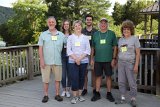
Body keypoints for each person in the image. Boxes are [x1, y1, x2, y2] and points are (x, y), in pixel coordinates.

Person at [38, 16, 65, 103]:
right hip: (46, 61)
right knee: (46, 79)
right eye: (49, 22)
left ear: (55, 23)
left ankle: (57, 94)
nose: (51, 23)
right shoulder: (43, 34)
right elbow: (40, 48)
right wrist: (41, 60)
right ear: (47, 23)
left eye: (53, 22)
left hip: (57, 61)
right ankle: (46, 95)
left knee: (58, 79)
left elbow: (70, 43)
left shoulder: (61, 35)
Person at [91, 18, 117, 102]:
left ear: (107, 25)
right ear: (99, 24)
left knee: (108, 77)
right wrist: (92, 58)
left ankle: (109, 93)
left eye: (105, 23)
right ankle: (97, 93)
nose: (103, 24)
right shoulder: (95, 34)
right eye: (101, 23)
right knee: (98, 76)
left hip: (108, 60)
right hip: (98, 60)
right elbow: (92, 48)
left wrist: (114, 58)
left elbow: (115, 47)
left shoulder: (111, 33)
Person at [67, 20, 91, 104]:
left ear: (81, 27)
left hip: (83, 61)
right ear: (73, 27)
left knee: (81, 78)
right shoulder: (70, 37)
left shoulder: (85, 37)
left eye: (79, 25)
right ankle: (74, 96)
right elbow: (68, 51)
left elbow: (88, 50)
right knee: (74, 78)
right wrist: (76, 59)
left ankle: (80, 95)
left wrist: (79, 59)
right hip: (72, 61)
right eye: (76, 26)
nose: (78, 27)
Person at [117, 20, 140, 107]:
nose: (126, 30)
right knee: (121, 81)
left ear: (131, 30)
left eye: (128, 29)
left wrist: (136, 65)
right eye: (124, 29)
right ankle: (122, 97)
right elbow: (119, 51)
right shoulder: (120, 40)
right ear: (122, 30)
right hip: (121, 63)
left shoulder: (135, 39)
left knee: (132, 82)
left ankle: (133, 98)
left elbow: (138, 53)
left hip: (130, 63)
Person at [81, 14, 97, 96]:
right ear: (85, 21)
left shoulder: (96, 31)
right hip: (84, 55)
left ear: (92, 21)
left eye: (90, 19)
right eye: (87, 19)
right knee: (85, 73)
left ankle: (94, 89)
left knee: (94, 73)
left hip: (93, 54)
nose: (89, 21)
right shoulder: (82, 31)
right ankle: (85, 89)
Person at [61, 19, 72, 98]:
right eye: (65, 24)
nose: (66, 25)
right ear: (63, 26)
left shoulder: (72, 35)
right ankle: (64, 89)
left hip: (70, 55)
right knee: (63, 74)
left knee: (70, 74)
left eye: (67, 24)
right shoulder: (60, 34)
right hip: (62, 54)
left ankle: (68, 90)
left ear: (69, 25)